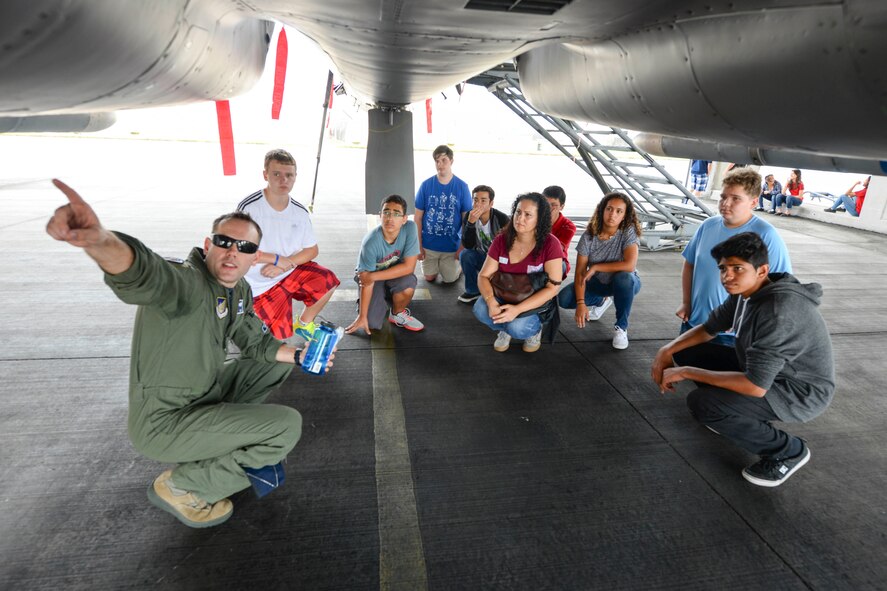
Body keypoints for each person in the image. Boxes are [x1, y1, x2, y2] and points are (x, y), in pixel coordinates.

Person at [46, 179, 332, 528]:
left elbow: (254, 340)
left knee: (274, 364)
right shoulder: (185, 283)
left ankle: (219, 440)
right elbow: (144, 274)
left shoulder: (236, 289)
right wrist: (100, 239)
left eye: (244, 247)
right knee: (285, 427)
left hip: (202, 397)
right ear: (208, 245)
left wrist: (302, 357)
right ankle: (186, 487)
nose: (232, 252)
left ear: (254, 257)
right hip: (165, 424)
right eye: (225, 242)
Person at [652, 232, 834, 487]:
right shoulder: (745, 291)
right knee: (685, 351)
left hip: (797, 392)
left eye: (737, 268)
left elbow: (755, 386)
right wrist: (666, 350)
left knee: (703, 404)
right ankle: (735, 412)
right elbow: (709, 328)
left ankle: (787, 451)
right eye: (723, 268)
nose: (727, 276)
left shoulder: (779, 312)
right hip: (763, 372)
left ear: (762, 271)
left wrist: (687, 372)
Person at [677, 167, 792, 362]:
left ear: (754, 202)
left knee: (715, 387)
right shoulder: (708, 226)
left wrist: (747, 320)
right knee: (684, 365)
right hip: (695, 323)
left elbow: (781, 289)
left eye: (736, 198)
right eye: (723, 197)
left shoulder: (766, 235)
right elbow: (690, 264)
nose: (725, 203)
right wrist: (687, 303)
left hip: (732, 334)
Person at [237, 149, 339, 341]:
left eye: (289, 175)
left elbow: (312, 249)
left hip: (287, 273)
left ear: (295, 177)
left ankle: (304, 323)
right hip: (257, 285)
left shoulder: (299, 212)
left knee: (327, 281)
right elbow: (238, 248)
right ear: (265, 175)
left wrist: (286, 263)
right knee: (272, 344)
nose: (283, 180)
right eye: (276, 174)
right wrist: (276, 260)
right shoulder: (249, 208)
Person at [473, 192, 562, 353]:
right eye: (518, 212)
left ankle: (533, 331)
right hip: (504, 293)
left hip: (531, 300)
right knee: (480, 309)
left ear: (539, 219)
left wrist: (517, 310)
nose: (520, 218)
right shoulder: (501, 239)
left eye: (528, 215)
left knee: (518, 327)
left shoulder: (550, 244)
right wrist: (491, 300)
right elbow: (483, 276)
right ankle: (504, 329)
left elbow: (553, 288)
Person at [557, 192, 642, 349]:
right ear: (602, 210)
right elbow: (581, 273)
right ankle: (601, 300)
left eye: (619, 211)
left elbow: (629, 265)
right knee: (564, 299)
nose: (613, 215)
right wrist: (581, 303)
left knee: (624, 278)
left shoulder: (628, 232)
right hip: (598, 283)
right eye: (609, 209)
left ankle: (621, 328)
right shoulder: (589, 237)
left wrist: (596, 267)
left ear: (624, 215)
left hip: (625, 282)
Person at [346, 195, 423, 334]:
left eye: (396, 214)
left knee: (408, 282)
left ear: (404, 218)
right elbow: (366, 280)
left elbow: (409, 267)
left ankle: (397, 313)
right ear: (380, 215)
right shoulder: (371, 242)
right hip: (369, 280)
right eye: (386, 212)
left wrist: (373, 276)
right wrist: (362, 316)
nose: (390, 218)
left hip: (384, 274)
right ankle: (368, 304)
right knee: (372, 323)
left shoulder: (410, 228)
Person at [414, 144, 473, 284]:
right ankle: (438, 266)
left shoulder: (462, 187)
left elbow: (468, 220)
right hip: (429, 245)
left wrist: (462, 247)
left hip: (451, 246)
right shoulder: (426, 185)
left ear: (451, 161)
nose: (440, 164)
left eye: (444, 160)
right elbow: (417, 218)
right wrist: (419, 246)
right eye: (437, 161)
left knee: (450, 279)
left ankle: (457, 268)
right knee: (429, 278)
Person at [458, 184, 510, 304]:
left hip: (499, 262)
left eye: (483, 200)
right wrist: (470, 224)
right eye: (475, 200)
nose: (478, 204)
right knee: (465, 255)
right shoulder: (469, 216)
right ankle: (473, 291)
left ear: (491, 203)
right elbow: (468, 245)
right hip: (482, 257)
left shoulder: (501, 218)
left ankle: (496, 287)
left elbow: (509, 247)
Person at [542, 185, 576, 278]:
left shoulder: (568, 226)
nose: (548, 208)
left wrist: (544, 224)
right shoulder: (533, 219)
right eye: (545, 204)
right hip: (535, 258)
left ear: (562, 206)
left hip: (558, 260)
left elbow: (556, 249)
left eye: (554, 205)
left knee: (556, 265)